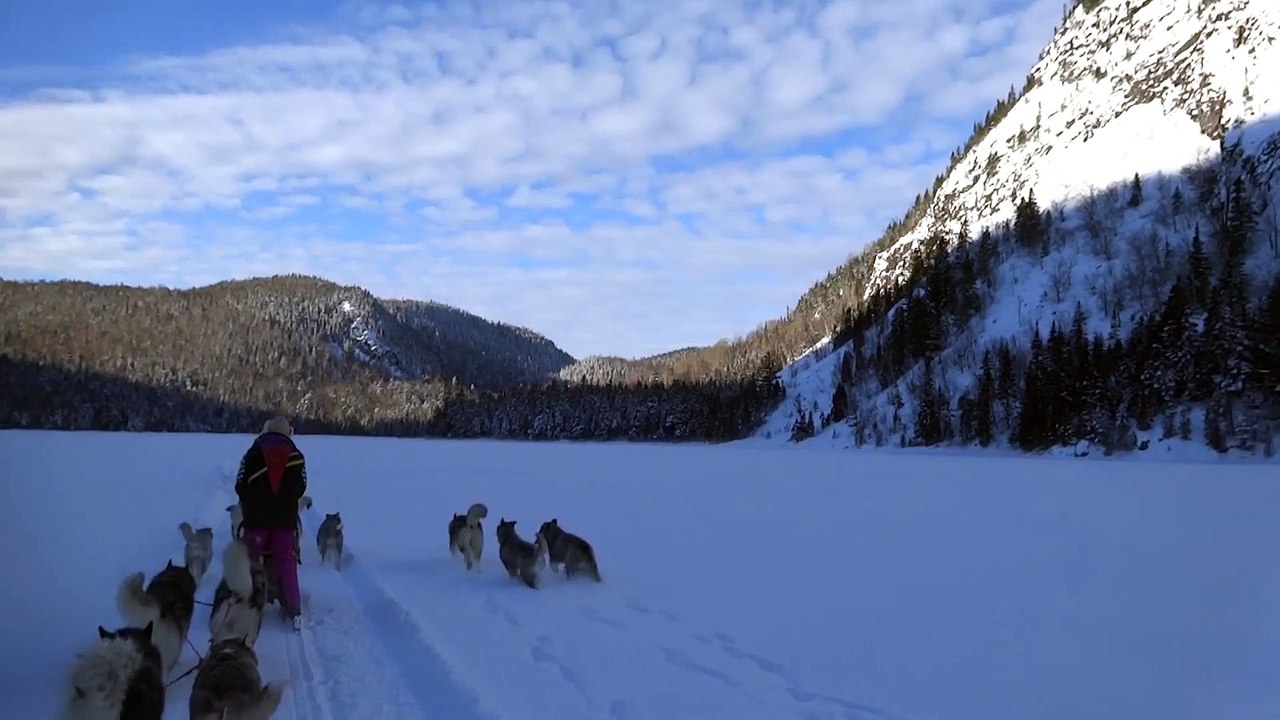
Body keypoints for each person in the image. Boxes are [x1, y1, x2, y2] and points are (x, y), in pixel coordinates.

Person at [234, 415, 307, 625]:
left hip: (256, 519)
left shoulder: (252, 452)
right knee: (286, 561)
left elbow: (240, 483)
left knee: (250, 561)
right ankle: (293, 607)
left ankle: (246, 604)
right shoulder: (296, 455)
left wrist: (251, 499)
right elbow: (301, 487)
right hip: (284, 521)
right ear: (288, 432)